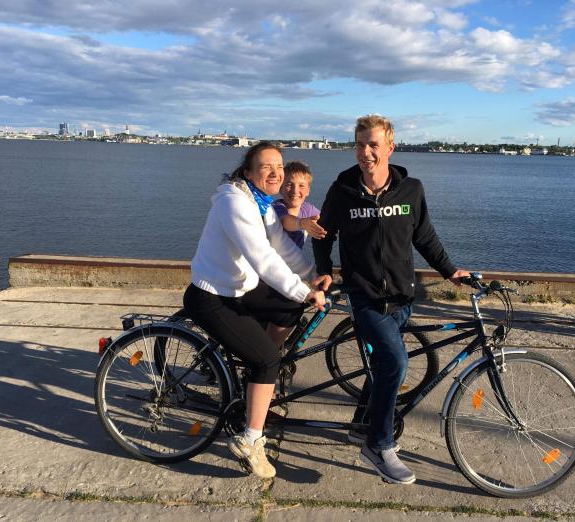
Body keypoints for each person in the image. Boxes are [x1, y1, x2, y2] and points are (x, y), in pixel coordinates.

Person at [313, 115, 470, 485]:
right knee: (396, 364)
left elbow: (425, 236)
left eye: (373, 145)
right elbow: (322, 234)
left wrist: (449, 270)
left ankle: (360, 425)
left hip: (402, 296)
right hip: (364, 296)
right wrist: (324, 269)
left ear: (390, 147)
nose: (366, 152)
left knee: (382, 366)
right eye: (360, 144)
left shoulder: (411, 190)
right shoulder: (342, 191)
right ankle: (378, 444)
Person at [183, 142, 331, 479]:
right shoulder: (235, 202)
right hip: (212, 295)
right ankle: (250, 439)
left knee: (288, 306)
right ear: (248, 172)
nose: (277, 173)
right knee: (267, 360)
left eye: (279, 166)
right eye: (267, 167)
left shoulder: (261, 202)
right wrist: (304, 292)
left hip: (239, 288)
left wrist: (310, 278)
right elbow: (263, 258)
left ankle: (255, 379)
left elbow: (280, 247)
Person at [272, 160, 326, 248]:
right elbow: (285, 221)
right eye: (290, 185)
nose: (295, 191)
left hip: (293, 259)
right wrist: (302, 223)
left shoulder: (308, 210)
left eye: (301, 186)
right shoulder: (276, 208)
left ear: (308, 191)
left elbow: (326, 221)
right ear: (280, 188)